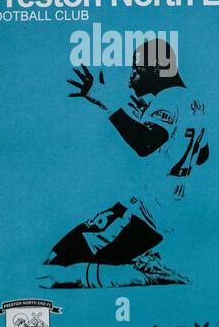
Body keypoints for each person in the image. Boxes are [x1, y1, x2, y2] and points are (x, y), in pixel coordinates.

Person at [37, 37, 208, 288]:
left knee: (54, 266)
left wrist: (105, 101)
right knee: (68, 267)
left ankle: (144, 275)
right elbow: (202, 155)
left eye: (136, 70)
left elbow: (146, 144)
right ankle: (145, 267)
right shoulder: (196, 103)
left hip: (140, 213)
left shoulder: (167, 100)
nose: (130, 79)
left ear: (157, 69)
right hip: (164, 216)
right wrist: (144, 121)